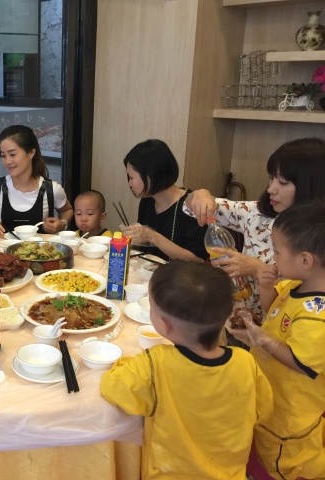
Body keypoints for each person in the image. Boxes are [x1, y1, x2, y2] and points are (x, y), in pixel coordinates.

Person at [101, 261, 273, 479]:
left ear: (163, 325)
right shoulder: (245, 361)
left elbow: (113, 387)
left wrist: (126, 361)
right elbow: (263, 410)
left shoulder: (154, 363)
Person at [228, 202, 325, 479]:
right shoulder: (296, 284)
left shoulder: (317, 314)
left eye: (277, 251)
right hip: (271, 396)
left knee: (283, 465)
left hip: (288, 418)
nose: (272, 256)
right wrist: (266, 288)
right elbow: (275, 312)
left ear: (305, 260)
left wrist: (259, 338)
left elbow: (302, 362)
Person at [185, 137, 325, 316]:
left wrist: (257, 268)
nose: (271, 189)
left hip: (284, 327)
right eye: (271, 178)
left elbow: (310, 294)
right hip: (241, 317)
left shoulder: (317, 233)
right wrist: (200, 195)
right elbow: (191, 208)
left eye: (283, 182)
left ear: (311, 185)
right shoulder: (256, 213)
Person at [120, 139, 208, 262]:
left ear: (151, 174)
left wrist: (153, 237)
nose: (129, 184)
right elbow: (145, 249)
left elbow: (197, 261)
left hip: (180, 274)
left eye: (131, 177)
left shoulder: (191, 206)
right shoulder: (147, 201)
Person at [0, 125, 73, 236]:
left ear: (31, 152)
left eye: (12, 154)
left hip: (41, 247)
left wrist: (62, 224)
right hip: (3, 247)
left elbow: (67, 210)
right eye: (3, 155)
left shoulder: (52, 189)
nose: (7, 161)